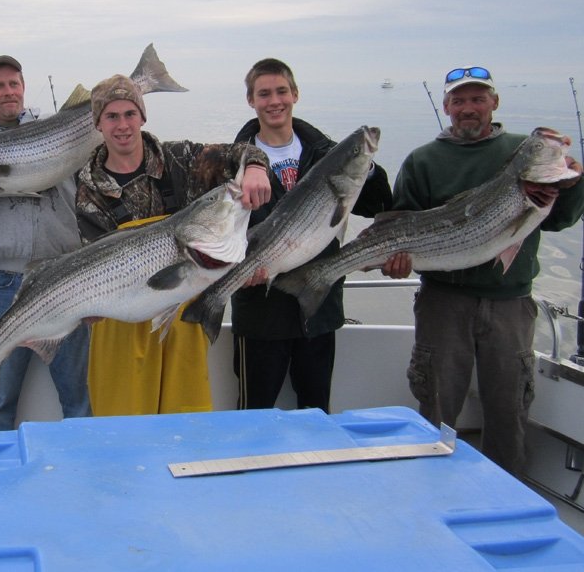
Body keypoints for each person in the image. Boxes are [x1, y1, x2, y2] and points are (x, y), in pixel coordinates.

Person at [382, 65, 584, 475]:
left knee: (509, 411)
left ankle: (506, 499)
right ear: (446, 107)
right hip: (443, 303)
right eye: (459, 101)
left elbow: (561, 219)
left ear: (495, 102)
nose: (468, 108)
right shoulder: (423, 160)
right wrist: (396, 260)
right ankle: (430, 490)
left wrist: (574, 182)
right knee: (436, 405)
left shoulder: (518, 152)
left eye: (477, 99)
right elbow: (400, 223)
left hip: (511, 304)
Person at [75, 74, 272, 416]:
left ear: (142, 117)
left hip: (183, 310)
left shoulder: (181, 158)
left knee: (187, 424)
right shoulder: (88, 188)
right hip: (121, 317)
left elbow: (245, 150)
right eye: (111, 116)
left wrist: (254, 167)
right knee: (124, 426)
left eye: (130, 114)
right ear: (98, 124)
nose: (122, 125)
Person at [230, 58, 392, 413]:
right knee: (253, 413)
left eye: (282, 91)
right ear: (251, 101)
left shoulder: (327, 153)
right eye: (264, 94)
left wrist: (367, 166)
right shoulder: (233, 162)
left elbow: (378, 205)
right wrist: (240, 270)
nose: (275, 101)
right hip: (260, 312)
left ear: (295, 94)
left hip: (318, 310)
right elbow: (223, 231)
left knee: (317, 411)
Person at [0, 54, 91, 430]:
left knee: (79, 399)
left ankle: (82, 483)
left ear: (23, 87)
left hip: (66, 277)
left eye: (14, 83)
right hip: (6, 284)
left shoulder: (60, 128)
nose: (8, 91)